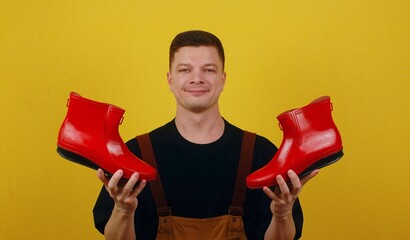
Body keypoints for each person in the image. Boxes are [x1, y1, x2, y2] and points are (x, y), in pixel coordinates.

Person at [93, 30, 318, 240]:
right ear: (170, 80)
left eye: (209, 70)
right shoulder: (135, 155)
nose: (197, 78)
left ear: (223, 79)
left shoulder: (262, 154)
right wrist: (123, 210)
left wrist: (282, 214)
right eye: (185, 70)